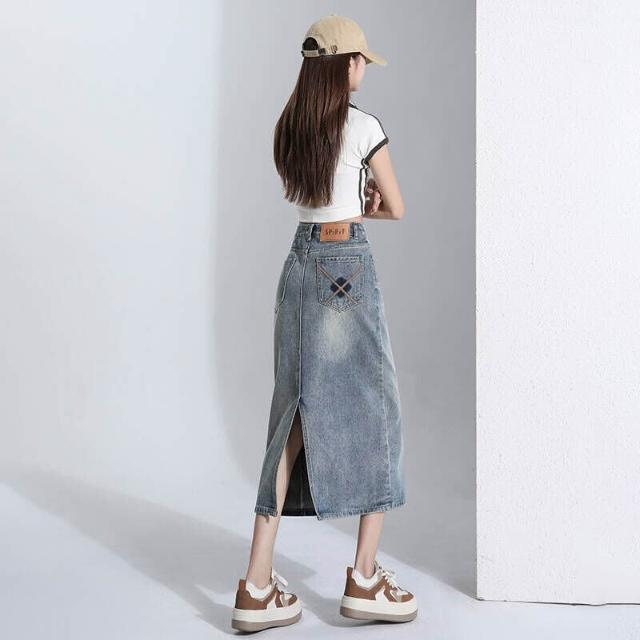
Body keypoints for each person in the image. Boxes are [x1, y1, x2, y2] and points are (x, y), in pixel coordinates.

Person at [231, 14, 417, 632]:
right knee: (377, 407)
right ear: (345, 64)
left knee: (290, 416)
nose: (364, 69)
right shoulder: (364, 127)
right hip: (345, 267)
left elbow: (310, 194)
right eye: (361, 60)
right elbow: (395, 207)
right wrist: (366, 204)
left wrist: (348, 198)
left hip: (299, 264)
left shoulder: (291, 126)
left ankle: (256, 583)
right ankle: (363, 577)